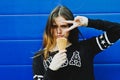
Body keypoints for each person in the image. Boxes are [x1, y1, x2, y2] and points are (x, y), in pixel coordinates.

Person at [32, 5, 120, 80]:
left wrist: (88, 22)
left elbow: (117, 31)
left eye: (63, 26)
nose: (58, 31)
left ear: (71, 27)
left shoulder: (87, 47)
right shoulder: (40, 57)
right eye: (54, 26)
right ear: (49, 28)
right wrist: (51, 70)